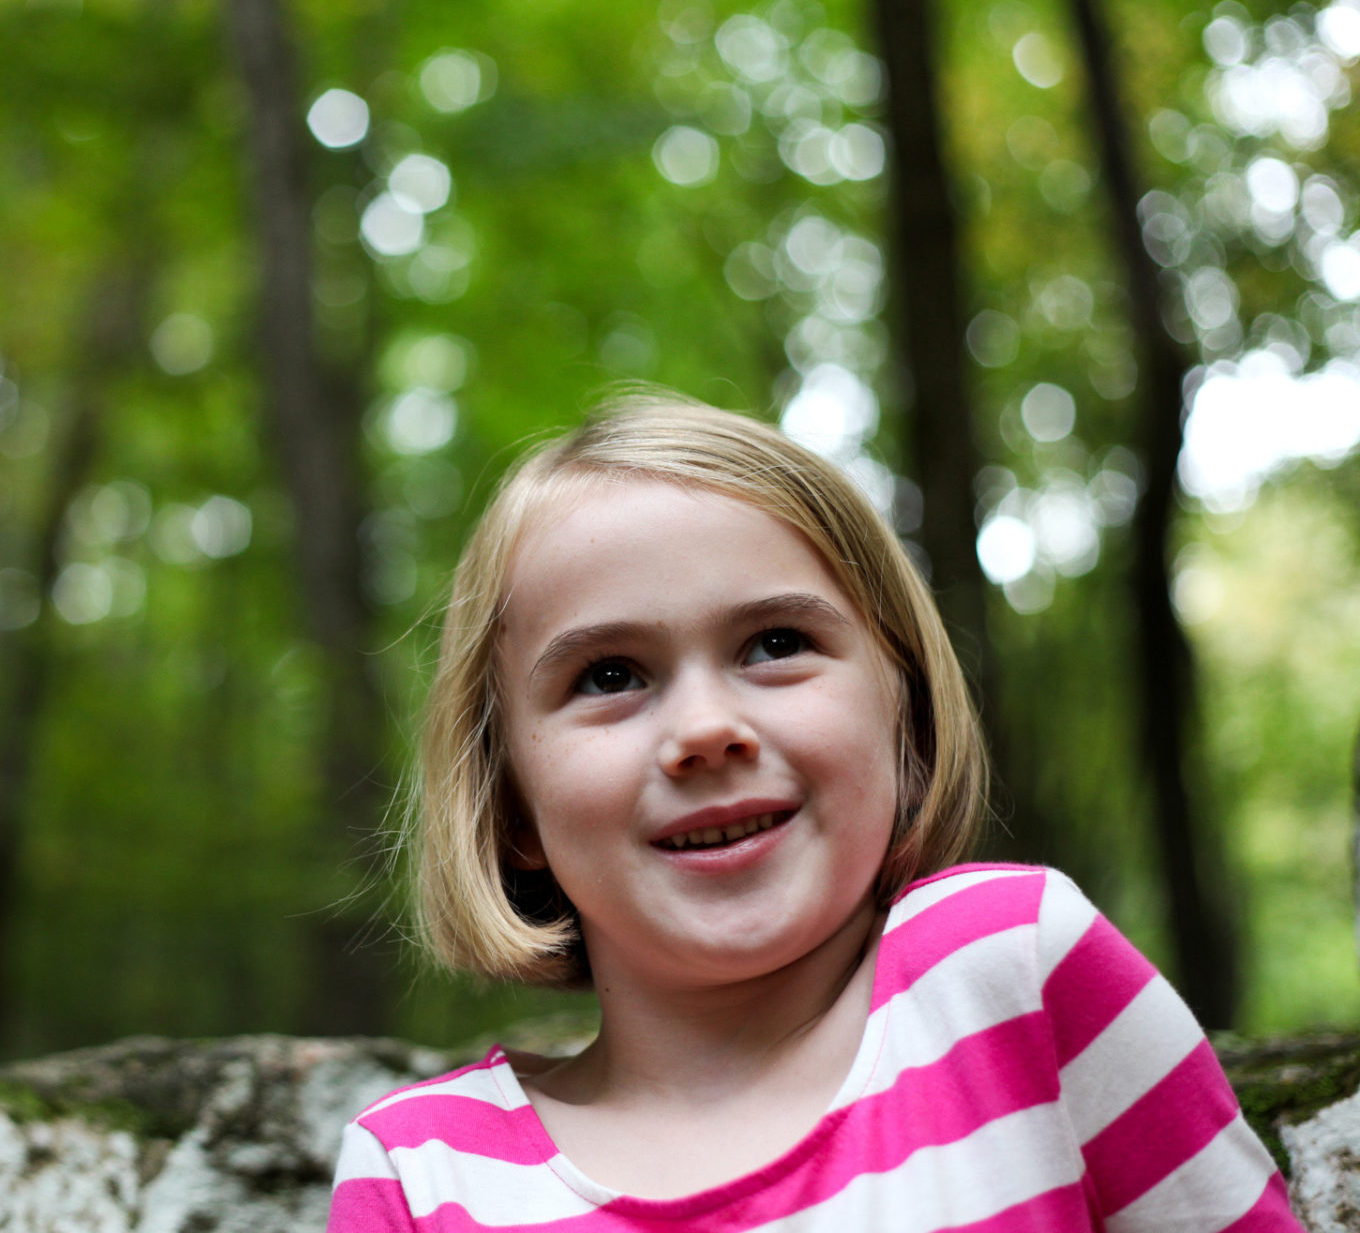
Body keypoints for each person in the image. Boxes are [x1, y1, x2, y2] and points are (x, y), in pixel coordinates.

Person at [326, 391, 1300, 1231]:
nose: (706, 728)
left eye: (774, 640)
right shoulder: (425, 1173)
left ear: (904, 718)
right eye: (610, 674)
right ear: (511, 807)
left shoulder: (1009, 970)